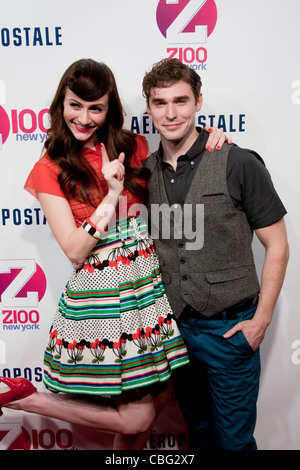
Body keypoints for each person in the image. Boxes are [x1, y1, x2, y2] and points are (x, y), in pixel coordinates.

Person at [0, 58, 227, 450]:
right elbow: (73, 248)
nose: (84, 118)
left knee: (154, 404)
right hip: (105, 299)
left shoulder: (131, 145)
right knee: (138, 414)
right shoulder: (49, 166)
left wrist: (211, 141)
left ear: (109, 110)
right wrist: (111, 196)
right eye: (75, 105)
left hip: (148, 291)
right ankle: (26, 397)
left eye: (96, 108)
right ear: (61, 105)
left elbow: (177, 163)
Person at [142, 58, 289, 451]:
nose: (171, 113)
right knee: (199, 435)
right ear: (148, 109)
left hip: (229, 329)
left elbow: (277, 244)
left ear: (198, 102)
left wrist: (261, 321)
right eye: (160, 103)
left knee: (234, 444)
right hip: (175, 333)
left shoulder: (237, 161)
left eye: (181, 101)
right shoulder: (144, 173)